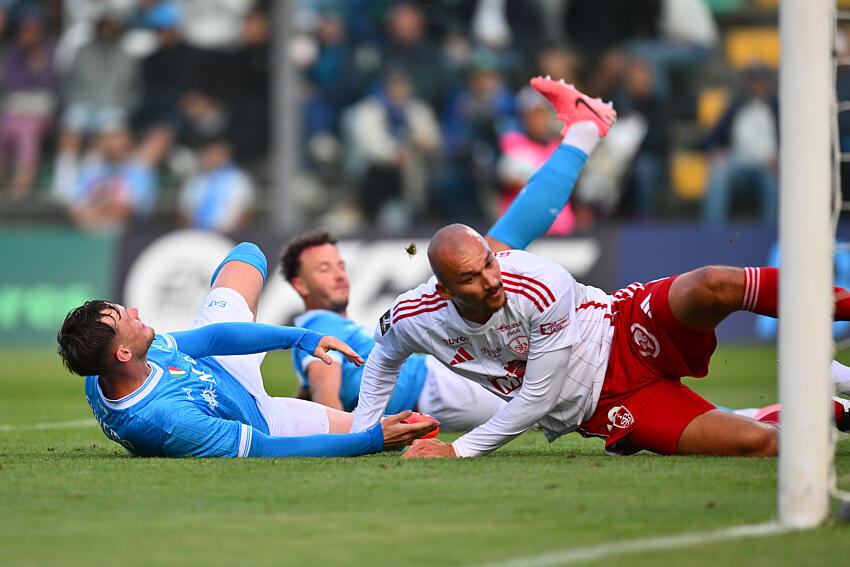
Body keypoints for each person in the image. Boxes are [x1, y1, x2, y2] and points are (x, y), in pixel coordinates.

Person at [349, 77, 850, 459]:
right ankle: (835, 405)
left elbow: (535, 397)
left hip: (625, 327)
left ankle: (585, 127)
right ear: (443, 287)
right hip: (605, 404)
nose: (489, 280)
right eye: (470, 278)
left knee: (714, 283)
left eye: (487, 265)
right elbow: (382, 357)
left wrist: (456, 451)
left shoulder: (532, 282)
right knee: (763, 444)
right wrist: (362, 435)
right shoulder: (414, 315)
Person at [281, 76, 616, 430]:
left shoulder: (328, 335)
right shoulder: (315, 328)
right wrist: (348, 438)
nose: (338, 274)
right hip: (439, 386)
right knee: (499, 247)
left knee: (496, 248)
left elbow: (318, 388)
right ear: (300, 286)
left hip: (443, 375)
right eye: (323, 269)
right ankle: (584, 131)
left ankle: (584, 131)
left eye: (339, 264)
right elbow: (324, 386)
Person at [56, 242, 436, 458]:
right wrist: (370, 440)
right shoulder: (168, 421)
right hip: (262, 419)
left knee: (247, 255)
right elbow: (267, 450)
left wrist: (299, 337)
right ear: (123, 354)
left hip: (218, 367)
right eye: (128, 318)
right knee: (382, 432)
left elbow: (212, 340)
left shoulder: (118, 362)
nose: (136, 312)